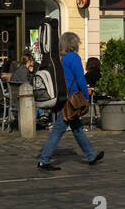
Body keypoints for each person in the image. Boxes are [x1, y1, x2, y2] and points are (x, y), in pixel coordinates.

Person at [37, 32, 103, 170]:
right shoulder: (74, 58)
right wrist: (85, 97)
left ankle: (91, 156)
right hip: (72, 99)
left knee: (77, 128)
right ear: (73, 44)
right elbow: (80, 79)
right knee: (58, 130)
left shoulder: (61, 58)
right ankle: (44, 159)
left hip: (62, 97)